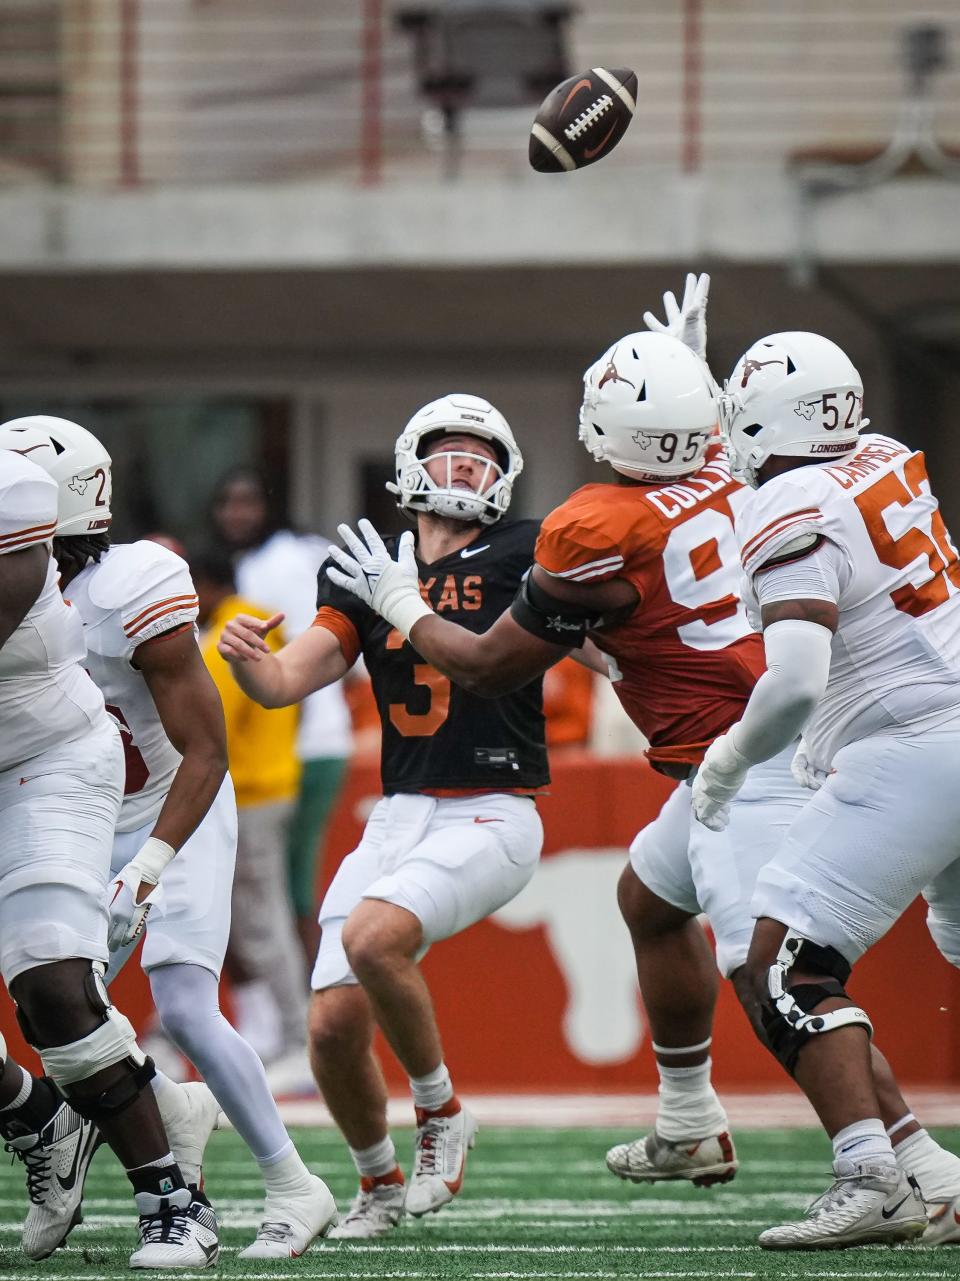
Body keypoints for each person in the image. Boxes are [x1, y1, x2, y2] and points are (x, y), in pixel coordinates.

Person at [324, 283, 960, 1245]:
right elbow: (721, 449)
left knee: (773, 973)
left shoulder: (596, 523)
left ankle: (899, 1166)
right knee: (649, 899)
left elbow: (492, 663)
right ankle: (691, 1118)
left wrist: (402, 603)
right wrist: (697, 386)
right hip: (768, 738)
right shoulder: (756, 468)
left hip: (743, 758)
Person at [0, 417, 337, 1259]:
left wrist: (148, 867)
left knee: (184, 1003)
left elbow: (207, 750)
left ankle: (293, 1183)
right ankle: (167, 1111)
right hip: (79, 812)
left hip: (171, 809)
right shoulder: (36, 589)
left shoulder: (130, 583)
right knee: (54, 1009)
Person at [218, 394, 546, 1238]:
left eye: (483, 454)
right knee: (329, 1025)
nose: (466, 467)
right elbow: (290, 679)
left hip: (494, 807)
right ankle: (379, 1184)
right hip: (402, 812)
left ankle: (440, 1111)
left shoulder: (523, 549)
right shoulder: (366, 564)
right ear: (408, 466)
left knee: (371, 938)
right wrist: (252, 665)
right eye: (449, 452)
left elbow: (512, 656)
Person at [689, 330, 960, 1248]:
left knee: (784, 966)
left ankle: (872, 1179)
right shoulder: (879, 458)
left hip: (914, 744)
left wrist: (727, 762)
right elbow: (788, 484)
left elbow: (797, 679)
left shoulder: (789, 499)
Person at [0, 447, 214, 1268]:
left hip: (42, 764)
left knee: (51, 981)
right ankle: (35, 1117)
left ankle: (172, 1199)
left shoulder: (16, 498)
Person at [211, 467, 351, 1073]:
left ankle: (313, 1037)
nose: (236, 513)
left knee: (285, 900)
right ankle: (271, 1028)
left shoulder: (291, 560)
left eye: (247, 500)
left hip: (300, 745)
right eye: (226, 501)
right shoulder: (251, 571)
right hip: (289, 741)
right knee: (251, 904)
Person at [188, 547, 307, 1080]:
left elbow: (211, 732)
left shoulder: (223, 640)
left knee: (262, 921)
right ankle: (283, 1030)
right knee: (256, 920)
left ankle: (299, 1037)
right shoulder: (256, 621)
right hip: (269, 785)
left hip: (250, 794)